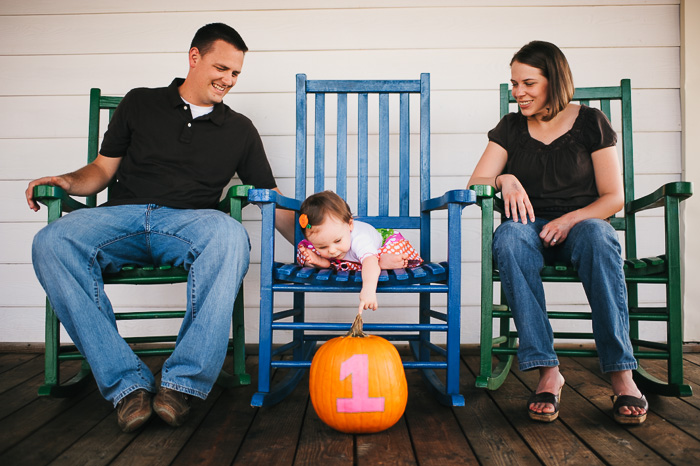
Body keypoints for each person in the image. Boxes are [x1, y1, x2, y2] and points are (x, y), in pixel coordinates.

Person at [26, 23, 294, 432]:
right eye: (221, 67)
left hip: (189, 223)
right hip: (121, 218)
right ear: (194, 57)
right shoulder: (140, 103)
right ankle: (126, 386)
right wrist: (66, 181)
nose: (228, 80)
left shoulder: (239, 129)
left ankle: (181, 385)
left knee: (229, 235)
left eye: (236, 73)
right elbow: (100, 171)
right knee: (51, 240)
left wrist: (325, 246)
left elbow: (270, 198)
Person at [467, 41, 648, 425]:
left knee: (600, 237)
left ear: (555, 80)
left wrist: (570, 219)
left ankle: (621, 373)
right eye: (514, 83)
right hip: (529, 228)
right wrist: (505, 178)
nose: (518, 93)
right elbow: (476, 182)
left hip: (582, 226)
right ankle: (548, 370)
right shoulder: (511, 127)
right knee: (508, 238)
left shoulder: (591, 122)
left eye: (528, 83)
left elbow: (613, 197)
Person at [296, 190, 422, 313]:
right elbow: (316, 248)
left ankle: (381, 260)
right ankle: (323, 262)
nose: (332, 250)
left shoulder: (360, 239)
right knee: (305, 252)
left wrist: (368, 289)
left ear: (350, 225)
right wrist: (311, 259)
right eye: (322, 246)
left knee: (376, 259)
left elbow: (368, 261)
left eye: (338, 240)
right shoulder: (329, 242)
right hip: (351, 258)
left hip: (382, 246)